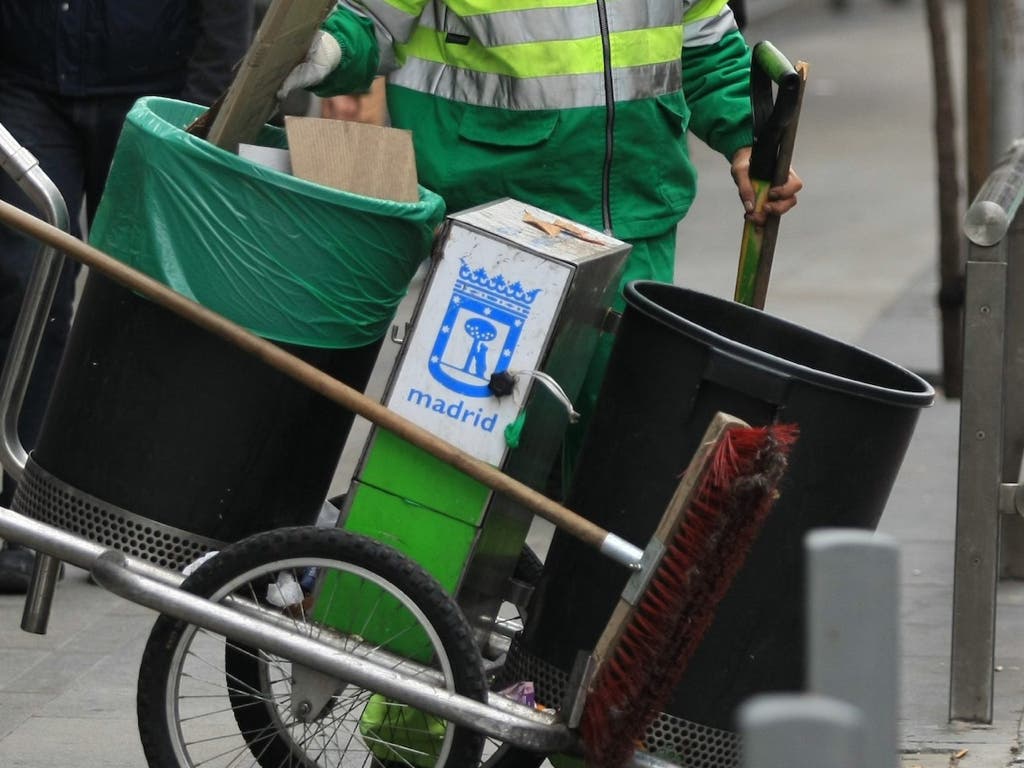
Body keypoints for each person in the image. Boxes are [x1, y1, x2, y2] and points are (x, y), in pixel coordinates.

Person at [279, 1, 802, 484]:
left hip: (634, 214)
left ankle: (584, 578)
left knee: (615, 436)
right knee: (463, 439)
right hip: (500, 222)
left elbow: (708, 49)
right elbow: (367, 20)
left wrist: (747, 142)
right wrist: (323, 50)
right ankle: (411, 578)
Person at [0, 1, 254, 593]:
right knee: (28, 281)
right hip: (26, 85)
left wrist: (207, 108)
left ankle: (132, 514)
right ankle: (25, 515)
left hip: (154, 93)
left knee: (147, 299)